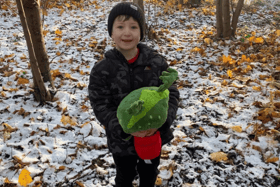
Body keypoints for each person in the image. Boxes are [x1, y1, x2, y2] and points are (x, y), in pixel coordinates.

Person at [88, 2, 180, 187]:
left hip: (152, 138)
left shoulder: (156, 62)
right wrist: (125, 127)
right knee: (124, 175)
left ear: (141, 32)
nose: (127, 32)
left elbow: (170, 93)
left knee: (149, 173)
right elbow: (100, 104)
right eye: (120, 26)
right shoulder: (102, 70)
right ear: (111, 32)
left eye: (133, 26)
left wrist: (161, 123)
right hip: (121, 141)